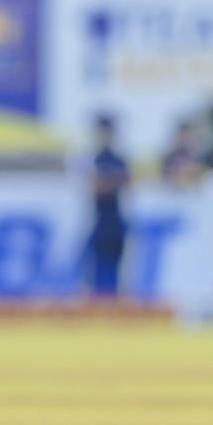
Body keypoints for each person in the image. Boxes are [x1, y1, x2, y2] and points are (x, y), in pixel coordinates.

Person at [88, 113, 129, 296]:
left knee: (114, 272)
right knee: (99, 272)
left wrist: (107, 181)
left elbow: (124, 182)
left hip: (113, 222)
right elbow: (97, 186)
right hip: (100, 222)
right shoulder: (95, 159)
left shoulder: (115, 159)